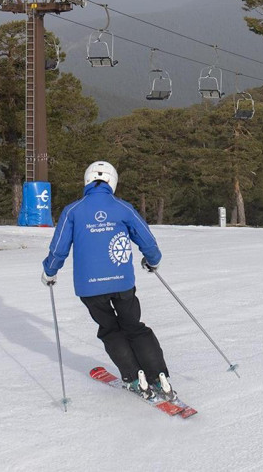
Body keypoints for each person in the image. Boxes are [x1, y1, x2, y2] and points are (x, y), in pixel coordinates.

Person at [41, 161, 173, 399]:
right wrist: (152, 260)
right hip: (122, 283)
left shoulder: (73, 210)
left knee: (111, 330)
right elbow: (147, 240)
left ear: (87, 180)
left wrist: (50, 271)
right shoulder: (123, 208)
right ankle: (158, 376)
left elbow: (59, 248)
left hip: (90, 288)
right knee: (134, 327)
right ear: (113, 181)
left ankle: (134, 377)